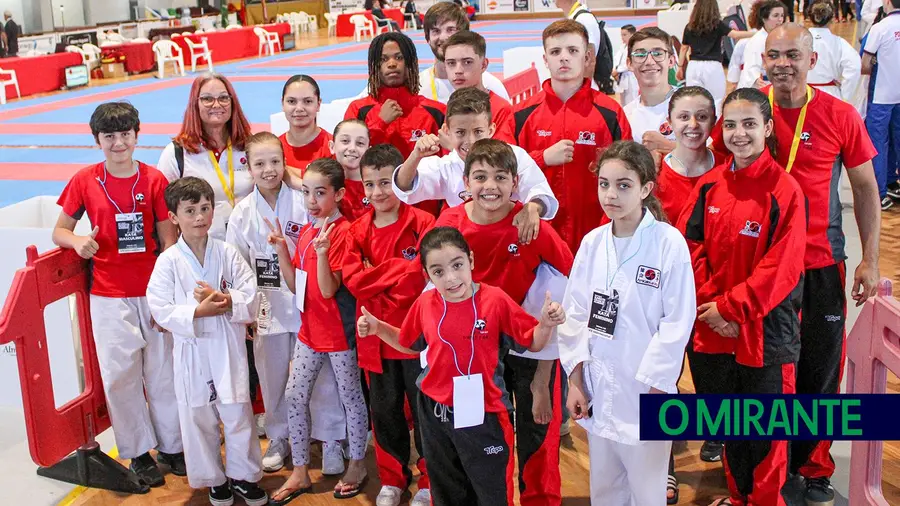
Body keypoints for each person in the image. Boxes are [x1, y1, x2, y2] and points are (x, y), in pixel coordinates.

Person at [710, 24, 881, 504]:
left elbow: (866, 188)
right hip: (756, 268)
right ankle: (764, 462)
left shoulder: (838, 114)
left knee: (820, 370)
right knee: (761, 373)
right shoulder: (747, 112)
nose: (783, 63)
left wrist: (871, 259)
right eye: (774, 54)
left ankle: (814, 464)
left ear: (813, 58)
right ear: (762, 57)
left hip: (820, 263)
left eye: (793, 54)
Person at [356, 226, 566, 506]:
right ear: (427, 275)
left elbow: (534, 342)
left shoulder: (495, 301)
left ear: (471, 260)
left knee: (491, 492)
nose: (451, 278)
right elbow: (410, 342)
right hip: (434, 413)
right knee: (446, 490)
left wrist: (546, 324)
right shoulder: (425, 304)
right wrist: (379, 328)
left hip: (485, 413)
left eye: (457, 265)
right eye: (438, 271)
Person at [680, 88, 806, 506]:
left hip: (765, 332)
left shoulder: (785, 190)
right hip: (716, 328)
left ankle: (766, 501)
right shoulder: (710, 186)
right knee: (731, 425)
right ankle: (739, 497)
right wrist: (713, 308)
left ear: (767, 129)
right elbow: (692, 249)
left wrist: (733, 308)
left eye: (749, 124)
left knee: (767, 432)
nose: (738, 134)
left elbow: (782, 267)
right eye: (730, 125)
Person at [432, 139, 574, 506]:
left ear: (515, 182)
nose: (490, 186)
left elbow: (568, 286)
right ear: (466, 182)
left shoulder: (533, 226)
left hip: (528, 342)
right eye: (480, 177)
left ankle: (540, 500)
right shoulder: (450, 224)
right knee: (477, 439)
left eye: (500, 177)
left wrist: (545, 372)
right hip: (473, 354)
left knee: (537, 432)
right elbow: (431, 290)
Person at [51, 102, 184, 487]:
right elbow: (60, 230)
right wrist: (77, 242)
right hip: (108, 293)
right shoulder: (84, 180)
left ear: (137, 136)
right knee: (121, 376)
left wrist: (169, 294)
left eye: (125, 134)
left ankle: (172, 446)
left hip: (153, 290)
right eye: (109, 136)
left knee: (162, 371)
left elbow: (168, 238)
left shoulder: (155, 179)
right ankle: (138, 452)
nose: (118, 142)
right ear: (97, 140)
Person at [560, 140, 695, 506]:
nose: (611, 194)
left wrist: (656, 384)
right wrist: (575, 380)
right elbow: (574, 315)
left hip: (647, 390)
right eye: (604, 183)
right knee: (604, 489)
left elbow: (678, 322)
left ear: (646, 189)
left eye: (623, 185)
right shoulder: (592, 243)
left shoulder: (668, 243)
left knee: (647, 491)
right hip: (599, 387)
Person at [146, 177, 267, 506]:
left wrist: (227, 301)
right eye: (190, 211)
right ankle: (215, 480)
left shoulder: (226, 252)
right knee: (199, 418)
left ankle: (243, 476)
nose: (199, 217)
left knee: (238, 413)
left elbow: (250, 291)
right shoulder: (168, 261)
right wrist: (197, 311)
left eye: (204, 208)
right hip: (192, 351)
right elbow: (159, 307)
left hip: (228, 347)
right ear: (174, 217)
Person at [268, 158, 369, 504]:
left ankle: (357, 464)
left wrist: (324, 254)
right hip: (309, 333)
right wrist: (283, 250)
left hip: (339, 336)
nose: (311, 201)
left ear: (339, 194)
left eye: (320, 193)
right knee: (295, 398)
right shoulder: (310, 230)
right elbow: (298, 286)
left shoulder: (342, 233)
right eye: (307, 192)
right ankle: (299, 472)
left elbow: (328, 289)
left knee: (351, 399)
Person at [342, 144, 435, 506]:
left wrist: (376, 276)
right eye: (370, 184)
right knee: (384, 412)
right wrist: (395, 274)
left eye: (385, 182)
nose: (378, 192)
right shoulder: (355, 231)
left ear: (399, 180)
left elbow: (420, 278)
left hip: (416, 338)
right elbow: (354, 281)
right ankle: (393, 478)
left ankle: (428, 479)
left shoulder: (423, 224)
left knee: (424, 411)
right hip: (373, 341)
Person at [226, 132, 307, 473]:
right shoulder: (242, 213)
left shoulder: (304, 200)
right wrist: (245, 311)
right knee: (271, 374)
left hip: (305, 299)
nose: (269, 169)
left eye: (275, 161)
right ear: (249, 167)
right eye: (260, 163)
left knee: (314, 373)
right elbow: (236, 265)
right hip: (266, 303)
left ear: (285, 162)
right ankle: (279, 435)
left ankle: (328, 433)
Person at [515, 19, 632, 254]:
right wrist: (543, 157)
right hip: (538, 238)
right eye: (556, 51)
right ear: (545, 59)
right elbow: (504, 170)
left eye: (572, 50)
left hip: (598, 236)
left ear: (586, 57)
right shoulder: (521, 113)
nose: (564, 57)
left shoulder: (610, 112)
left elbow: (630, 171)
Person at [393, 87, 558, 243]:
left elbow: (540, 193)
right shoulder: (446, 167)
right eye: (460, 132)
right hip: (468, 248)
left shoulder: (515, 156)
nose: (470, 141)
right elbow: (404, 187)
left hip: (512, 243)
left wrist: (533, 207)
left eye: (478, 132)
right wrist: (415, 155)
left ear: (491, 130)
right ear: (447, 131)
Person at [157, 74, 254, 241]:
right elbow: (163, 210)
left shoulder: (249, 146)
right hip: (201, 249)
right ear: (195, 104)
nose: (216, 104)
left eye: (223, 98)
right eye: (207, 99)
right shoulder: (176, 154)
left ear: (233, 103)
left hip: (248, 243)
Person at [419, 2, 510, 103]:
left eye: (450, 30)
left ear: (464, 35)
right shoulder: (418, 86)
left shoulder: (490, 85)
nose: (443, 37)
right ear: (428, 38)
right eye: (436, 31)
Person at [679, 0, 754, 114]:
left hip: (693, 66)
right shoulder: (717, 24)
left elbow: (684, 48)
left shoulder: (689, 26)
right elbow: (735, 35)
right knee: (716, 100)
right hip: (713, 66)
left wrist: (680, 67)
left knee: (694, 100)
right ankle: (714, 128)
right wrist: (755, 33)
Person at [442, 30, 516, 143]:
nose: (458, 71)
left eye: (467, 62)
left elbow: (501, 159)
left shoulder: (501, 109)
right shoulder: (450, 106)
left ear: (483, 65)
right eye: (451, 63)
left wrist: (454, 149)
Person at [862, 0, 900, 210]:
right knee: (898, 140)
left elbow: (865, 64)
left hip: (881, 95)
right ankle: (892, 182)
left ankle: (880, 192)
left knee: (878, 143)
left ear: (887, 3)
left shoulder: (880, 28)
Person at [623, 27, 678, 163]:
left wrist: (670, 147)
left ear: (671, 61)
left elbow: (710, 155)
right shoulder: (625, 115)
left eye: (658, 53)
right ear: (629, 63)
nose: (649, 61)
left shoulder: (691, 105)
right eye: (640, 55)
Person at [806, 0, 861, 101]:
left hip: (803, 94)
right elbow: (854, 66)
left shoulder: (799, 40)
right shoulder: (839, 43)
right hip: (830, 95)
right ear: (831, 19)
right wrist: (845, 95)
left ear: (809, 18)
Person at [280, 75, 332, 177]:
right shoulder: (274, 148)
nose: (299, 108)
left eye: (307, 101)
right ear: (282, 104)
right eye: (291, 101)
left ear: (318, 104)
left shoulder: (332, 147)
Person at [738, 0, 787, 89]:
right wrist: (756, 79)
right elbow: (751, 66)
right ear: (764, 18)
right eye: (775, 16)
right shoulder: (758, 40)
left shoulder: (780, 36)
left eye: (782, 16)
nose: (780, 19)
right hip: (760, 86)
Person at [330, 119, 372, 221]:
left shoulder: (377, 188)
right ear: (332, 146)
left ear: (369, 150)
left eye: (360, 143)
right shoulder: (321, 180)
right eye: (345, 141)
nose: (352, 148)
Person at [555, 0, 602, 89]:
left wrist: (583, 91)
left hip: (582, 91)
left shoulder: (583, 19)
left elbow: (590, 60)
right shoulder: (574, 17)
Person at [614, 24, 639, 107]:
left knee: (632, 102)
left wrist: (617, 71)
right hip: (621, 78)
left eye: (624, 35)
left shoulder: (635, 47)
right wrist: (614, 70)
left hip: (631, 77)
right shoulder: (622, 47)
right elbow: (616, 60)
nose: (622, 37)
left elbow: (629, 63)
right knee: (624, 104)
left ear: (632, 35)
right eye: (621, 35)